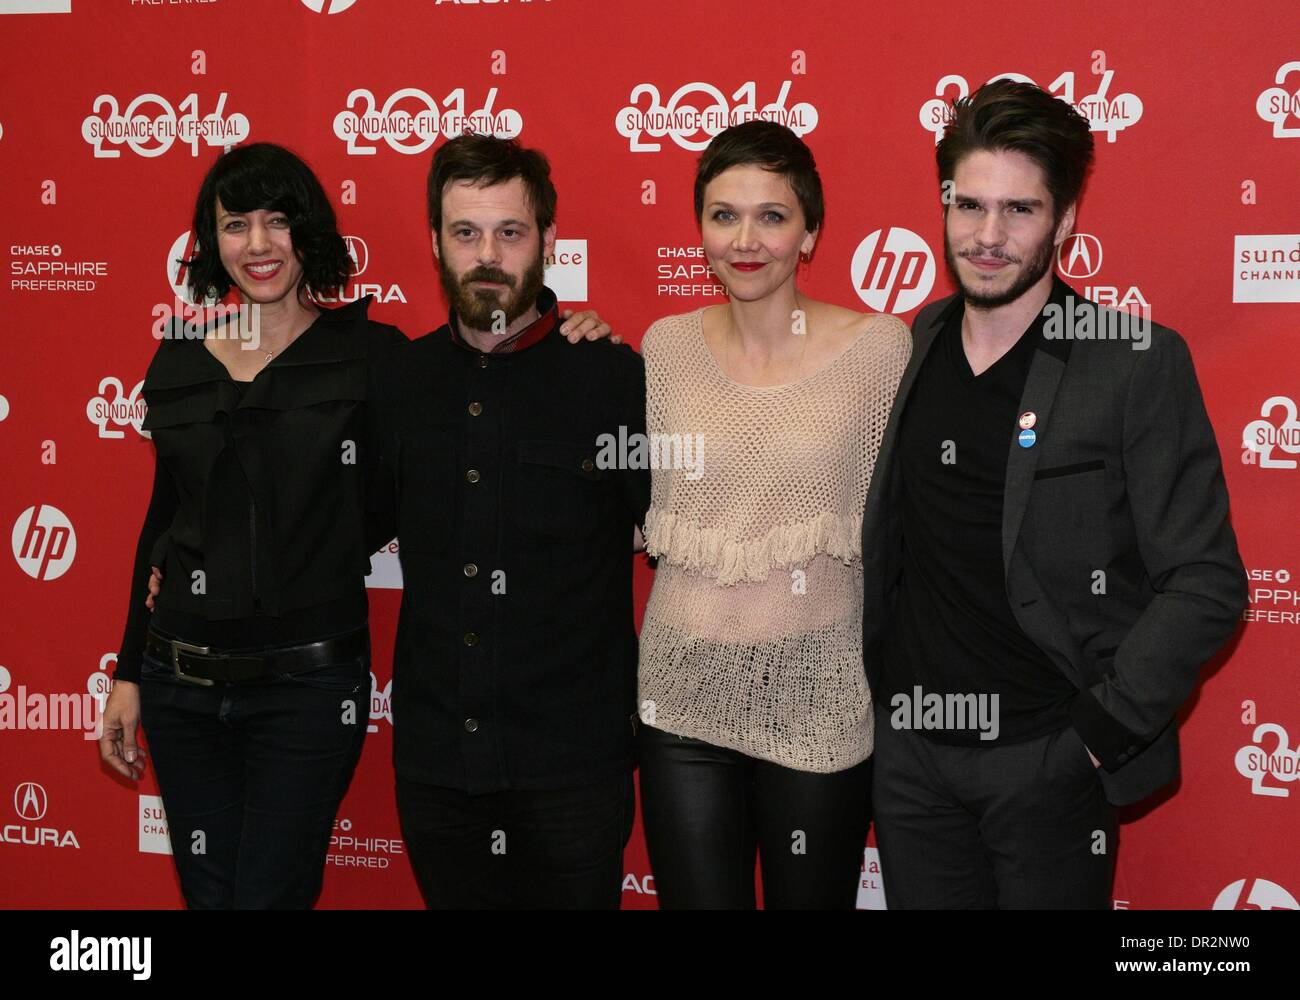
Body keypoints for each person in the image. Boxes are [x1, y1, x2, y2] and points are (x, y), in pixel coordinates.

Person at [98, 142, 613, 910]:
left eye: (278, 221)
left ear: (309, 231)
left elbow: (412, 482)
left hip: (306, 687)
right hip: (183, 687)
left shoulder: (375, 360)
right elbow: (165, 519)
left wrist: (571, 333)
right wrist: (132, 671)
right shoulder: (176, 361)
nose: (259, 245)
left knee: (268, 896)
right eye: (235, 224)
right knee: (210, 897)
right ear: (213, 242)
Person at [863, 80, 1248, 909]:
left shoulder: (1133, 360)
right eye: (968, 205)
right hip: (912, 761)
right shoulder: (914, 340)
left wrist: (1095, 736)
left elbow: (1207, 582)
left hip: (1044, 759)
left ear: (1066, 219)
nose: (988, 236)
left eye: (1020, 210)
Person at [635, 121, 911, 909]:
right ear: (700, 231)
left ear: (811, 230)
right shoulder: (663, 349)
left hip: (819, 693)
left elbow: (905, 530)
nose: (745, 240)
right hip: (680, 695)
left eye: (772, 216)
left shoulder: (879, 350)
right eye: (723, 216)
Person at [376, 134, 649, 909]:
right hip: (436, 766)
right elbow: (334, 526)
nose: (487, 254)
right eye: (465, 232)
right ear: (435, 243)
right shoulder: (400, 382)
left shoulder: (612, 378)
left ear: (549, 242)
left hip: (572, 770)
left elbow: (678, 535)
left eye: (510, 231)